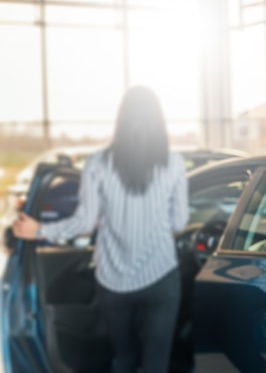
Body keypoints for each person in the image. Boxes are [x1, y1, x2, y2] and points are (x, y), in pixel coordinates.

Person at [12, 86, 189, 373]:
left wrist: (38, 230)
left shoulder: (97, 164)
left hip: (114, 282)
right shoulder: (174, 164)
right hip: (161, 278)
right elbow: (180, 222)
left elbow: (83, 222)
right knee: (156, 364)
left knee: (124, 357)